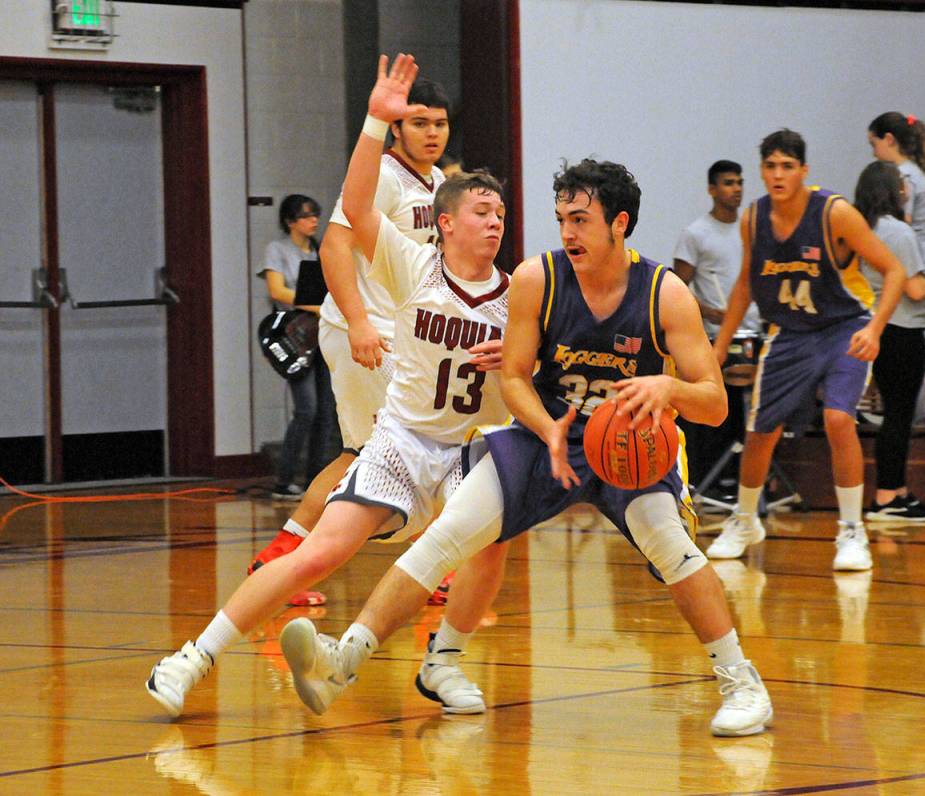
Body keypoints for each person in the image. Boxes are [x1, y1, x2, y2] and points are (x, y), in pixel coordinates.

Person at [278, 135, 775, 736]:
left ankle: (742, 682)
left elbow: (717, 404)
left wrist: (667, 391)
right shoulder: (538, 278)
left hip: (631, 445)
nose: (567, 232)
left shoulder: (663, 293)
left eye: (581, 220)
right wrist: (548, 426)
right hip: (549, 432)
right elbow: (513, 376)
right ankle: (346, 660)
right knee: (455, 530)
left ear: (619, 224)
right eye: (562, 218)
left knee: (667, 541)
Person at [146, 54, 510, 719]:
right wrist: (374, 121)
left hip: (462, 447)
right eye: (478, 211)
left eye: (500, 214)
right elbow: (351, 224)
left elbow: (537, 390)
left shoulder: (518, 300)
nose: (491, 222)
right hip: (399, 424)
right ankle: (194, 655)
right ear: (446, 222)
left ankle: (439, 661)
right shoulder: (413, 263)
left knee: (491, 538)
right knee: (334, 543)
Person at [247, 76, 454, 608]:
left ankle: (279, 557)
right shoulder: (381, 175)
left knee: (358, 453)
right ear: (396, 130)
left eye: (440, 123)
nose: (431, 133)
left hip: (398, 333)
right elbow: (335, 248)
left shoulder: (434, 184)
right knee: (426, 441)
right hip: (364, 331)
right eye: (419, 123)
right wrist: (359, 322)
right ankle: (432, 565)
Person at [707, 129, 906, 571]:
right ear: (762, 171)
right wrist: (717, 350)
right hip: (791, 333)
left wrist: (875, 329)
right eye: (771, 166)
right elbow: (744, 285)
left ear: (803, 171)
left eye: (787, 166)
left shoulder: (834, 213)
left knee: (838, 418)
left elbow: (894, 271)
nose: (778, 174)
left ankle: (852, 530)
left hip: (844, 327)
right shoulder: (754, 220)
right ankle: (744, 520)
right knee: (760, 431)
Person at [853, 162, 925, 521]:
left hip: (876, 327)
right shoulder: (897, 233)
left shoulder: (859, 228)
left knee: (897, 413)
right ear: (893, 191)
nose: (906, 189)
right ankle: (886, 497)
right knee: (898, 415)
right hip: (903, 329)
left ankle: (899, 490)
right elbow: (915, 288)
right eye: (901, 184)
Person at [673, 160, 761, 492]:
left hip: (753, 331)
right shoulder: (696, 234)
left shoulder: (750, 230)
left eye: (739, 182)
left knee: (755, 410)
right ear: (712, 189)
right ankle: (712, 478)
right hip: (716, 336)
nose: (736, 188)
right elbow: (678, 291)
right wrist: (711, 313)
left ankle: (748, 480)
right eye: (728, 183)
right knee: (719, 406)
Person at [258, 194, 341, 501]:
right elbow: (276, 290)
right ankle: (284, 478)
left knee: (326, 411)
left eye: (315, 215)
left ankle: (314, 480)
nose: (313, 221)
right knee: (306, 408)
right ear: (290, 221)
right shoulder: (276, 250)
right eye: (306, 216)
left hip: (321, 334)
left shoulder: (320, 250)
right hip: (293, 336)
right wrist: (316, 306)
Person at [868, 112, 925, 314]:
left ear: (889, 140)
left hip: (922, 268)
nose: (873, 153)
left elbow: (902, 224)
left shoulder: (903, 176)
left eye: (874, 144)